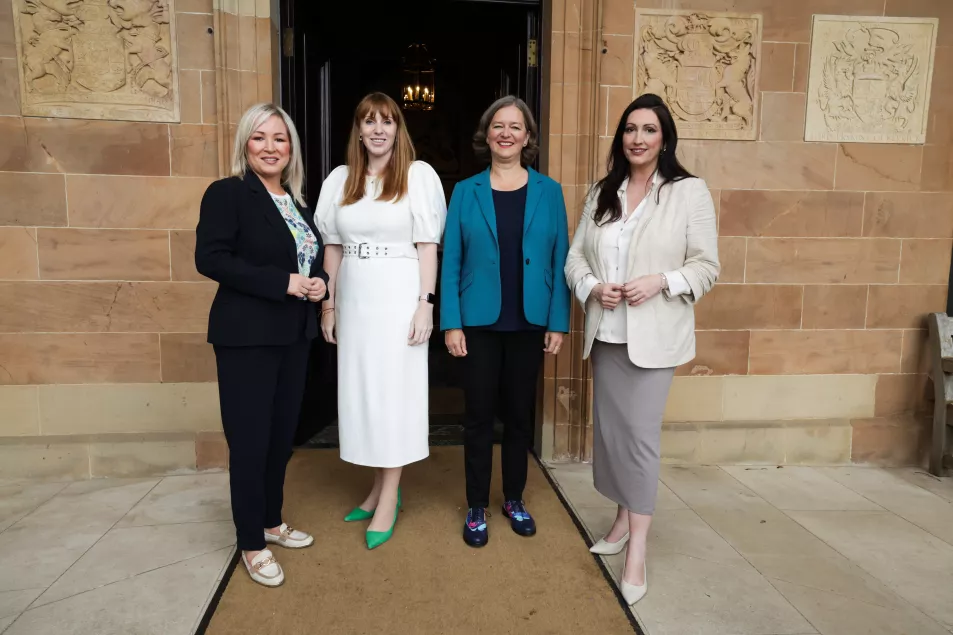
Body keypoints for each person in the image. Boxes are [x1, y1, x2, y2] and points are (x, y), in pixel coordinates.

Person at [564, 93, 719, 604]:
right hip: (607, 333)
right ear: (621, 137)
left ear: (664, 138)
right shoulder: (600, 192)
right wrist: (591, 287)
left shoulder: (688, 192)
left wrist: (662, 281)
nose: (638, 138)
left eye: (649, 129)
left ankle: (638, 552)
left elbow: (706, 266)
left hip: (656, 337)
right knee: (611, 435)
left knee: (640, 438)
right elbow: (574, 260)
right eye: (630, 129)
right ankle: (621, 521)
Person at [195, 103, 329, 588]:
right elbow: (209, 258)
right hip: (246, 339)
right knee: (250, 443)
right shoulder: (228, 194)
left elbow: (310, 263)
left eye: (280, 139)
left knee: (279, 439)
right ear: (244, 145)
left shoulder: (296, 203)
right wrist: (284, 283)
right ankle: (251, 542)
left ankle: (272, 522)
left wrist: (320, 285)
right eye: (260, 138)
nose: (271, 147)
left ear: (291, 149)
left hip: (294, 338)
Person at [315, 92, 446, 550]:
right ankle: (377, 487)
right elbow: (332, 247)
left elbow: (428, 245)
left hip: (398, 295)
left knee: (394, 396)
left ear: (398, 129)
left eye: (387, 121)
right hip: (355, 297)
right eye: (368, 121)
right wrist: (328, 305)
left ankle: (390, 494)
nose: (377, 129)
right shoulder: (340, 180)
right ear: (358, 129)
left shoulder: (417, 176)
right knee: (366, 395)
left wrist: (425, 304)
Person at [441, 96, 570, 548]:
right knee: (477, 417)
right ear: (487, 134)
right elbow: (451, 259)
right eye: (499, 125)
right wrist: (451, 323)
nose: (507, 133)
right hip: (477, 323)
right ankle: (477, 504)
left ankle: (513, 498)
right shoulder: (465, 191)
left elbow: (560, 260)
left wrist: (558, 322)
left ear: (528, 137)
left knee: (518, 417)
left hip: (529, 323)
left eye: (516, 127)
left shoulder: (550, 192)